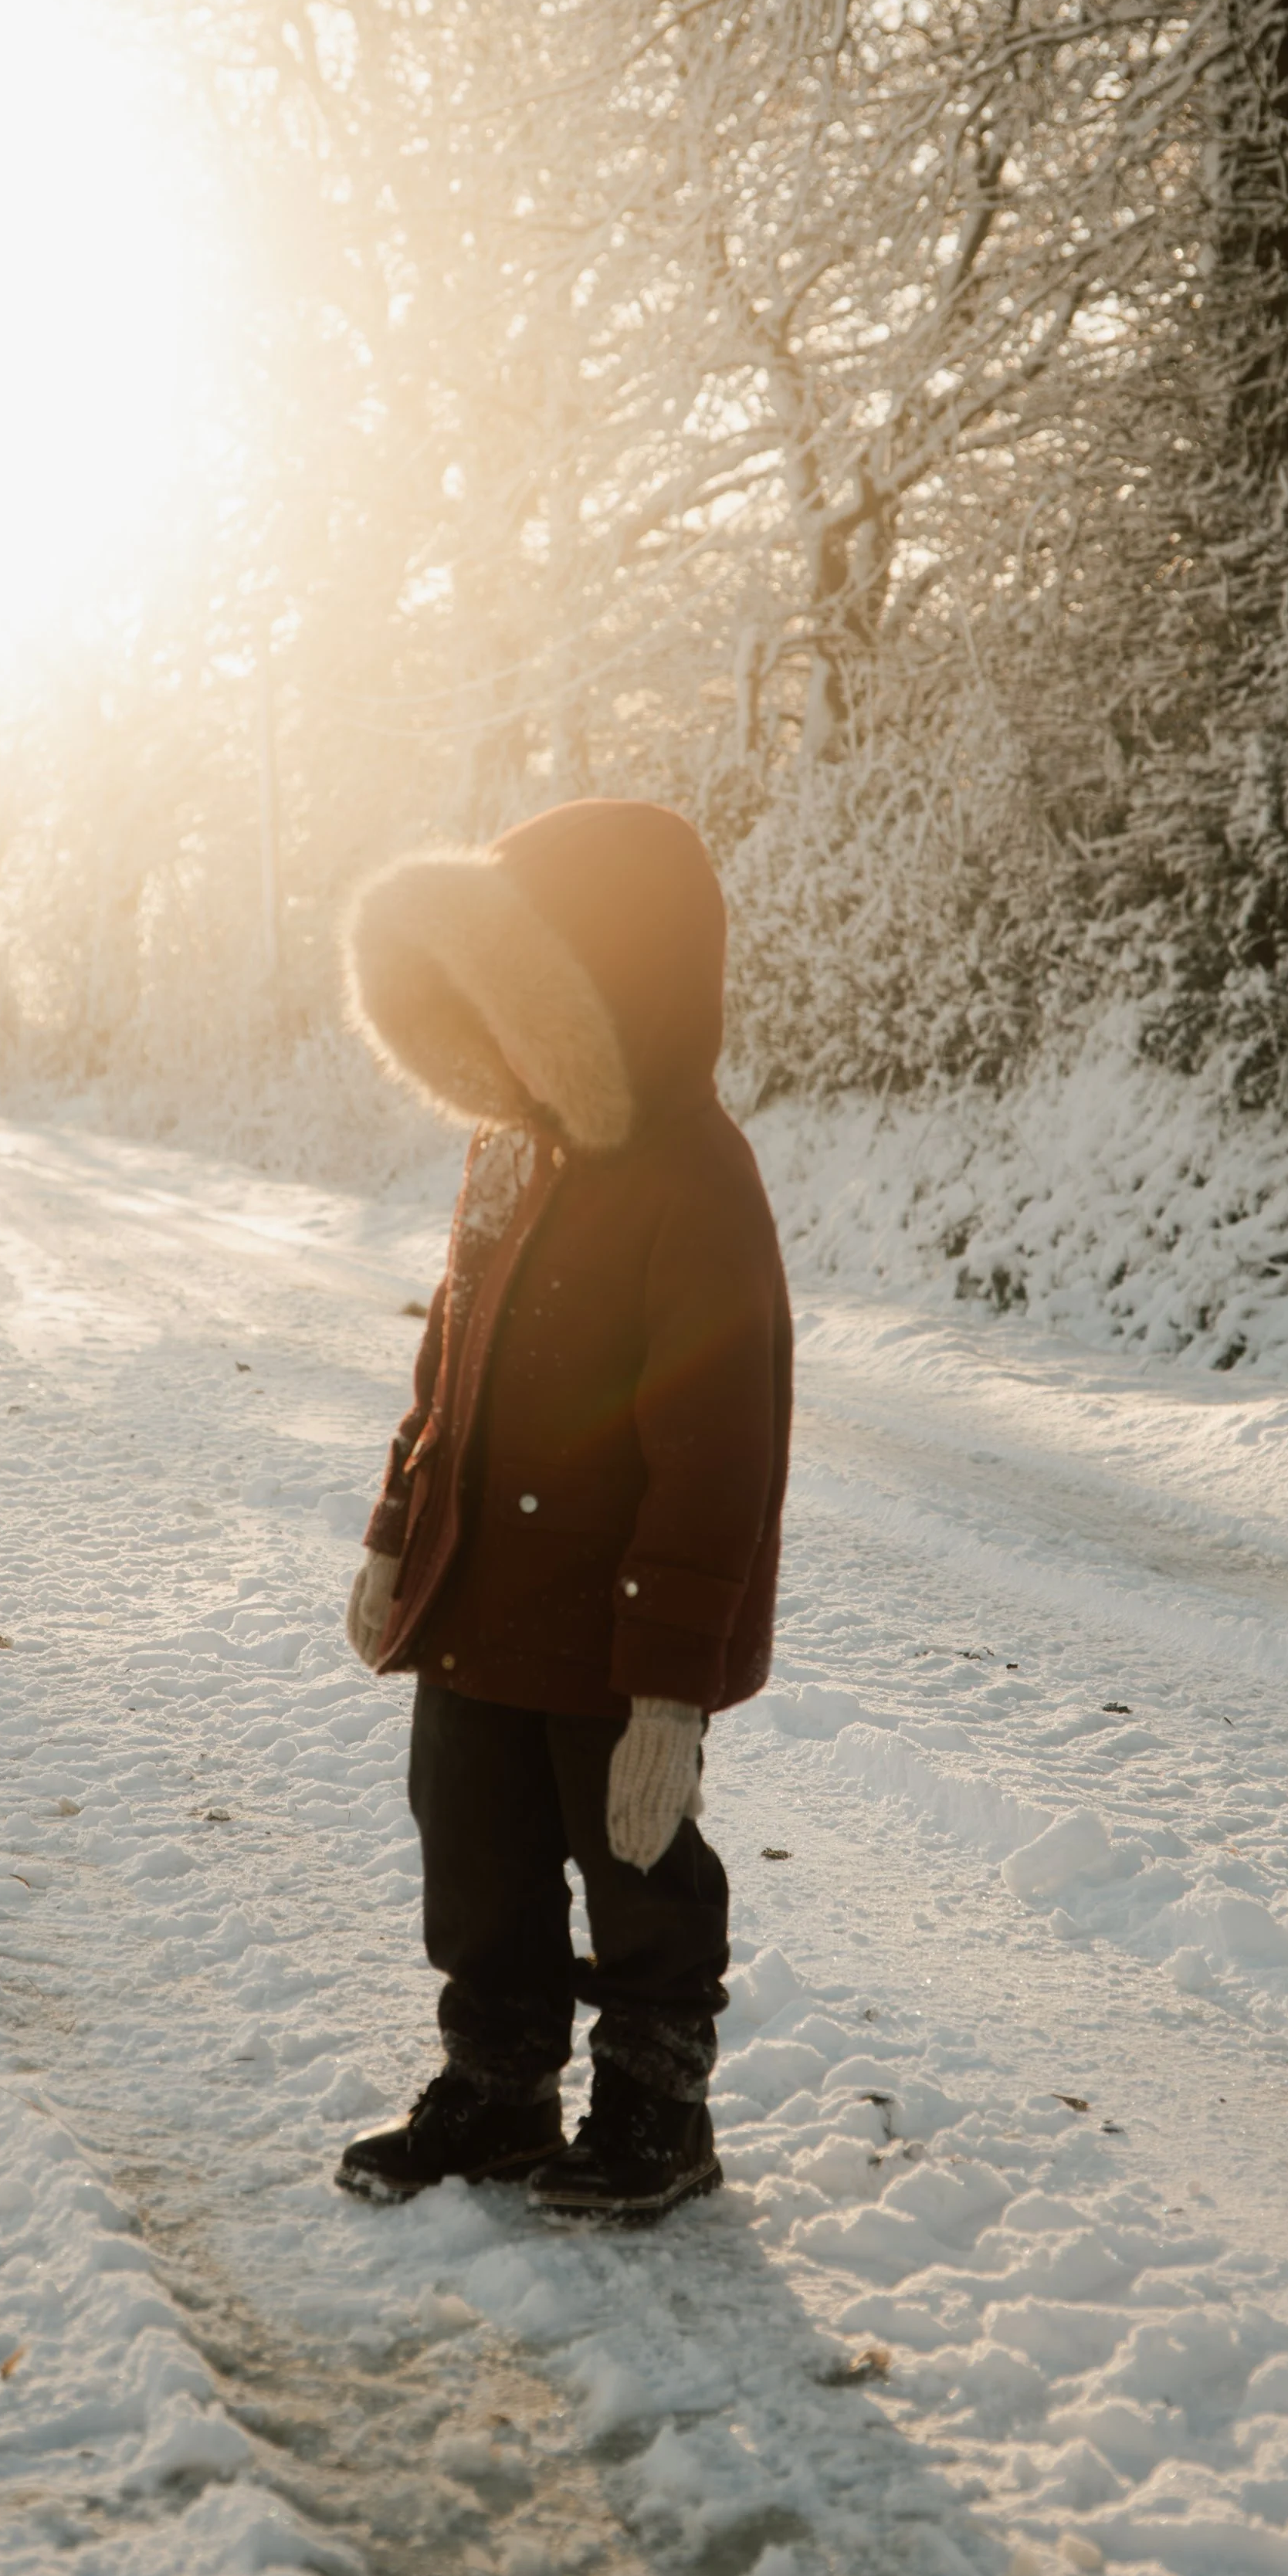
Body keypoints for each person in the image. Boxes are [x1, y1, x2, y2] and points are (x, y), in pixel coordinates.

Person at [335, 798, 792, 2227]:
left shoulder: (696, 1179)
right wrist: (397, 1526)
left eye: (532, 997)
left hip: (613, 1622)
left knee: (639, 1869)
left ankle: (659, 2102)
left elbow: (721, 1451)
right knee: (472, 1849)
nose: (505, 1035)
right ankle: (500, 2084)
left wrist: (669, 1688)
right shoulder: (507, 1148)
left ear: (616, 992)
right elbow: (450, 1358)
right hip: (477, 1594)